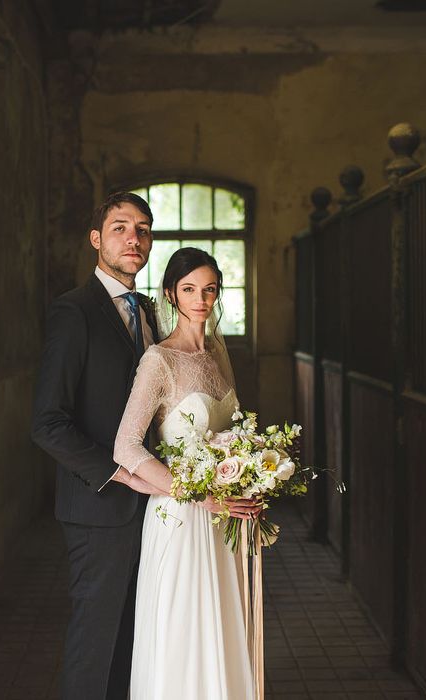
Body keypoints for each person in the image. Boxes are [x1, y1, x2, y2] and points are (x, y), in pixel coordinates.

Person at [111, 247, 260, 699]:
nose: (201, 298)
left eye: (209, 289)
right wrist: (197, 496)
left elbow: (235, 429)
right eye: (190, 289)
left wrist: (253, 474)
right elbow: (125, 447)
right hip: (182, 517)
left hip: (224, 517)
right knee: (186, 630)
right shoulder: (160, 359)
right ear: (171, 294)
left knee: (224, 625)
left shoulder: (216, 352)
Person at [31, 191, 159, 699]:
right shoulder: (74, 311)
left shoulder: (149, 312)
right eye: (121, 227)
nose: (134, 238)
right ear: (96, 239)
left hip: (151, 507)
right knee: (94, 645)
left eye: (143, 229)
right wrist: (121, 474)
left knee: (133, 640)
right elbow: (47, 423)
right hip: (98, 506)